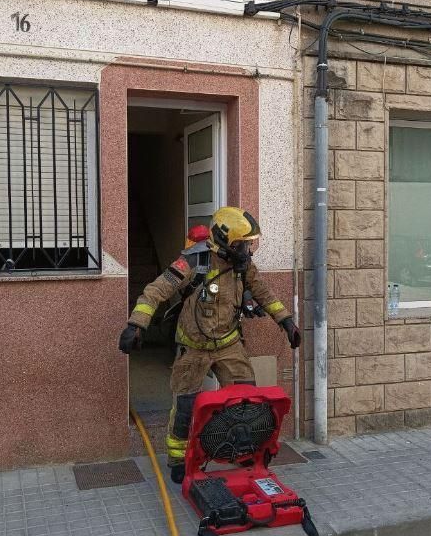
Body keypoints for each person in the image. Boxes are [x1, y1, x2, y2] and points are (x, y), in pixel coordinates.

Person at [118, 207, 301, 483]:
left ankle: (242, 450)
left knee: (245, 401)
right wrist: (137, 324)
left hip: (229, 345)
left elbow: (263, 292)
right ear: (227, 242)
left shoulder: (243, 267)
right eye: (244, 245)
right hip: (193, 347)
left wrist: (286, 321)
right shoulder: (193, 262)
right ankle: (178, 458)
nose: (249, 252)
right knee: (185, 406)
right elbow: (155, 291)